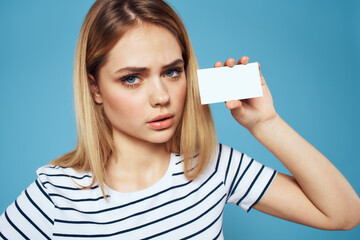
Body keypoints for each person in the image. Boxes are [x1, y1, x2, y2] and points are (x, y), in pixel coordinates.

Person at [0, 0, 359, 239]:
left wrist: (265, 124)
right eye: (132, 78)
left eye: (172, 72)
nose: (161, 97)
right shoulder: (56, 195)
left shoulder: (212, 166)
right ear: (94, 88)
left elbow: (343, 214)